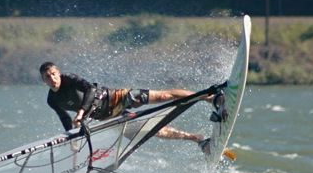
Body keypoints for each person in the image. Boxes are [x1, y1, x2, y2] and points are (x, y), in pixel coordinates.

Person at [39, 61, 218, 154]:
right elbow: (65, 120)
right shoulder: (52, 100)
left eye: (53, 74)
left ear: (59, 73)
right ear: (43, 81)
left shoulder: (70, 79)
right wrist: (73, 139)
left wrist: (80, 112)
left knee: (163, 96)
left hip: (116, 98)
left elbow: (91, 89)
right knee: (154, 130)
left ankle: (209, 98)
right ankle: (199, 140)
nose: (52, 78)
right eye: (47, 77)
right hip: (109, 118)